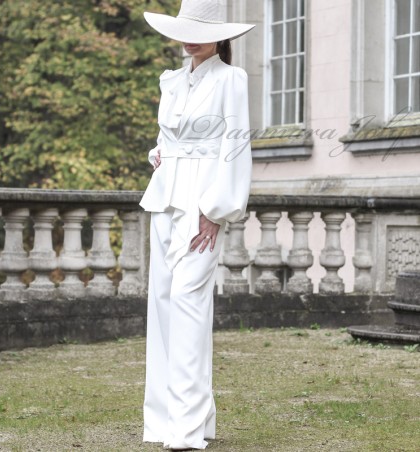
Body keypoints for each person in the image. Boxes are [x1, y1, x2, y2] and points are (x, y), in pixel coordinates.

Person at [139, 0, 254, 449]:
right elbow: (167, 139)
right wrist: (159, 153)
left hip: (202, 203)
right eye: (183, 29)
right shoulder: (171, 81)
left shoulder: (232, 80)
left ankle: (185, 432)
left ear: (221, 34)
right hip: (165, 197)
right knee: (165, 306)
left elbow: (235, 145)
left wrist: (214, 210)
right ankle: (173, 422)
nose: (188, 37)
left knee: (188, 305)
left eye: (199, 29)